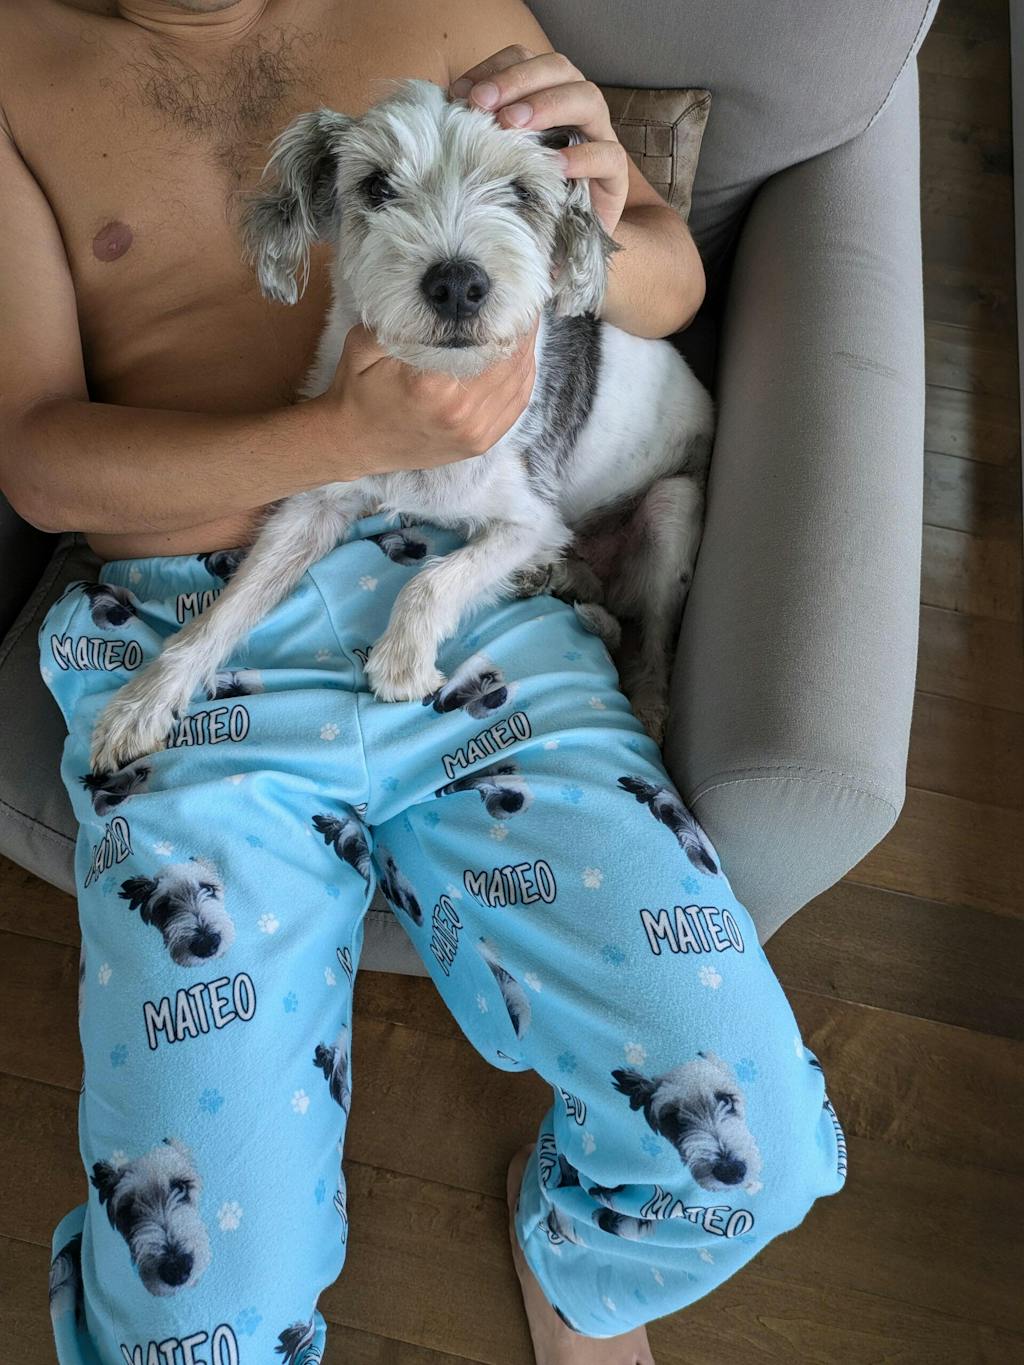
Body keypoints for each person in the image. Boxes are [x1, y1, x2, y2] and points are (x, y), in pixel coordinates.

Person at [0, 4, 847, 1363]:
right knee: (189, 1326)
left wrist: (602, 204)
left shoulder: (439, 6)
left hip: (492, 596)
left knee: (752, 1152)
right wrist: (338, 434)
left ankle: (576, 1263)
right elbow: (39, 464)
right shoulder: (15, 67)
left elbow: (668, 282)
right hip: (194, 612)